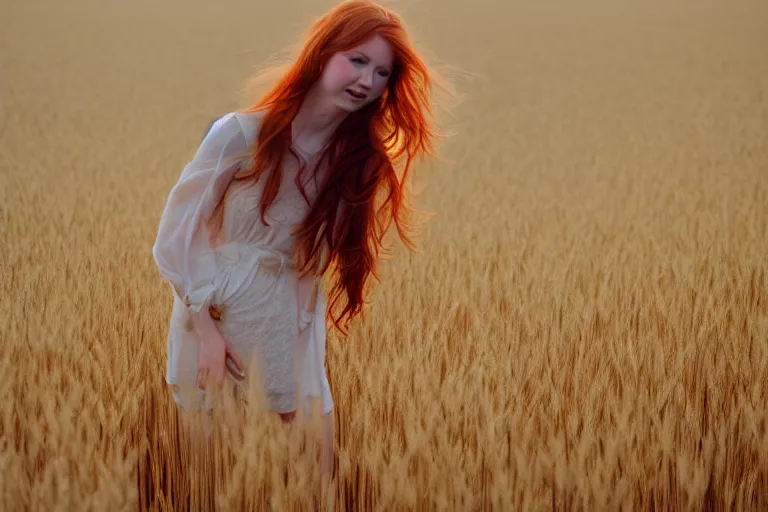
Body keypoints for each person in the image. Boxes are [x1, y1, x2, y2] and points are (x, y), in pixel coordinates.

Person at [152, 0, 454, 472]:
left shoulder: (358, 163)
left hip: (288, 323)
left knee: (313, 467)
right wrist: (207, 335)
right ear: (323, 52)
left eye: (381, 74)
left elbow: (319, 259)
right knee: (213, 470)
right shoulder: (240, 134)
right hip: (215, 315)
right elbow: (176, 236)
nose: (366, 82)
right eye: (357, 60)